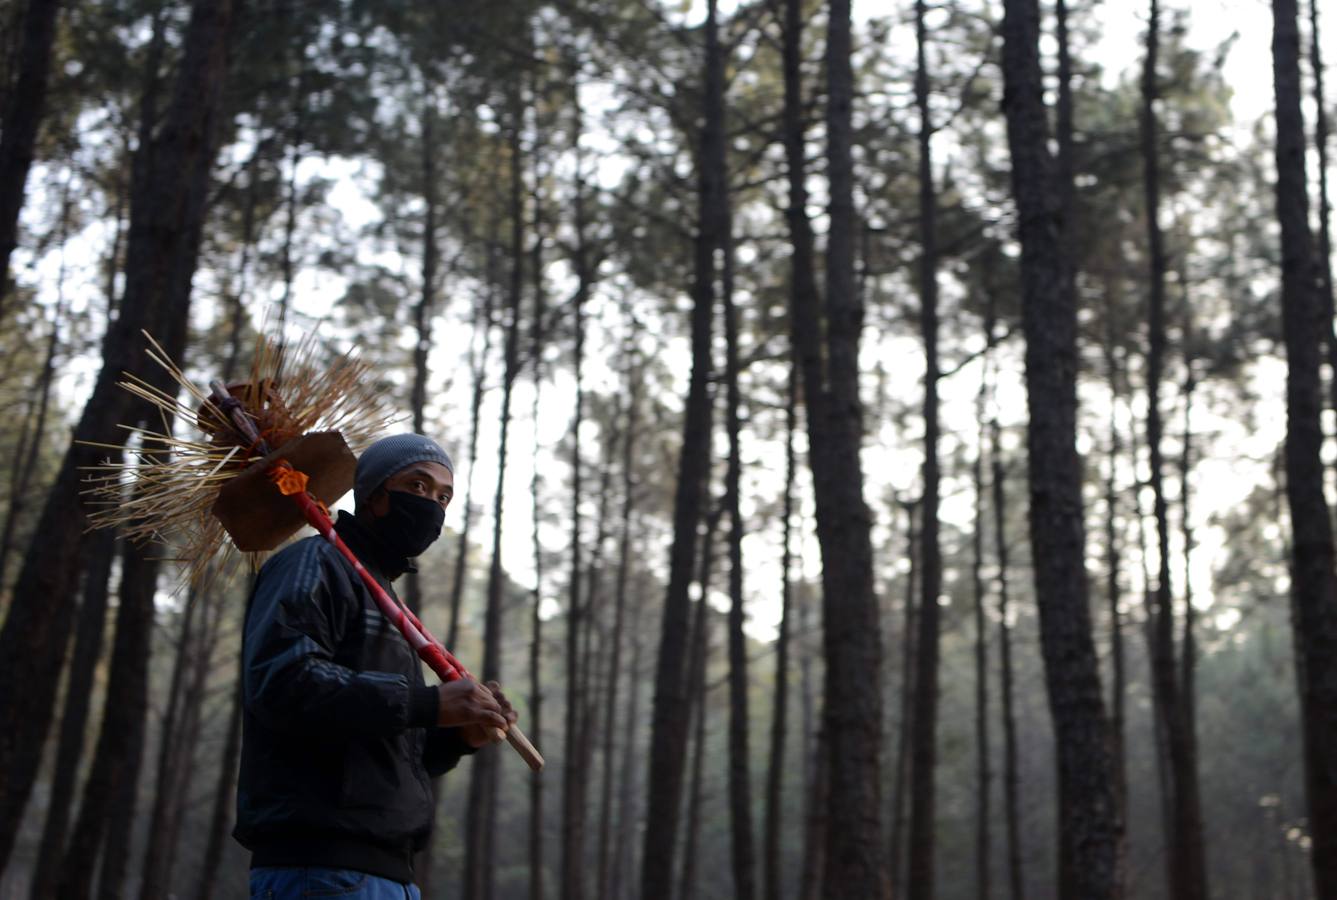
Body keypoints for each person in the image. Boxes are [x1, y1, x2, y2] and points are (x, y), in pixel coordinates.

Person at [234, 433, 516, 899]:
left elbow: (385, 745)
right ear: (374, 494)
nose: (432, 505)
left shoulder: (382, 597)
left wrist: (459, 734)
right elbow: (284, 683)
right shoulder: (313, 563)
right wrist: (426, 702)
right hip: (322, 872)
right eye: (418, 486)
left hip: (388, 876)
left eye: (444, 497)